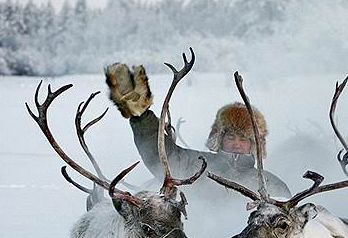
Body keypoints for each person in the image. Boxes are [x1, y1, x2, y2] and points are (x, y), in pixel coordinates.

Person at [104, 63, 291, 201]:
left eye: (243, 139)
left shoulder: (271, 184)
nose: (236, 143)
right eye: (230, 136)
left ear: (254, 144)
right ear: (219, 138)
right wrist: (142, 118)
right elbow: (164, 157)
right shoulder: (196, 164)